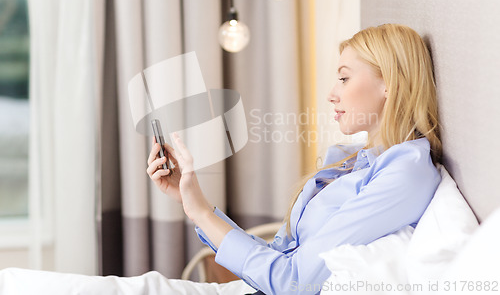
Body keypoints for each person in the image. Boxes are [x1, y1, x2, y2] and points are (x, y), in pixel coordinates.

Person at [145, 23, 443, 294]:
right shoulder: (353, 161)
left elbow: (293, 282)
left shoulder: (404, 174)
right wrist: (195, 204)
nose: (331, 94)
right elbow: (281, 257)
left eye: (343, 78)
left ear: (389, 83)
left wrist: (202, 213)